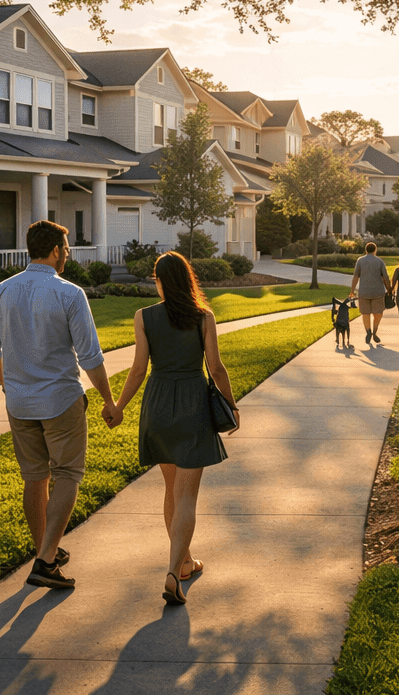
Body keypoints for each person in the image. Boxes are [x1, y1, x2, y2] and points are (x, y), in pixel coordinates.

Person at [0, 220, 118, 591]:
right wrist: (109, 400)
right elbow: (90, 357)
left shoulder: (1, 291)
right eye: (67, 249)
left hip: (20, 403)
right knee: (68, 475)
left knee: (34, 477)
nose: (68, 256)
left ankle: (44, 551)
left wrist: (8, 385)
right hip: (60, 400)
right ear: (56, 250)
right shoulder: (69, 293)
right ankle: (45, 559)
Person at [113, 252, 238, 605]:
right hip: (192, 405)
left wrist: (119, 407)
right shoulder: (204, 318)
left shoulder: (143, 317)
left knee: (171, 489)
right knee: (186, 496)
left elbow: (138, 369)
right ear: (187, 280)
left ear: (159, 281)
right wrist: (231, 405)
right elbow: (216, 368)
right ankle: (173, 572)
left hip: (158, 406)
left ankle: (184, 563)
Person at [349, 241, 391, 344]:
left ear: (366, 250)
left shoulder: (360, 261)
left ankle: (368, 331)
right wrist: (389, 290)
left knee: (365, 313)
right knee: (378, 313)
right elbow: (385, 277)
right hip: (378, 292)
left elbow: (355, 276)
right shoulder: (380, 261)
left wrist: (352, 290)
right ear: (375, 250)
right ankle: (375, 332)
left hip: (364, 291)